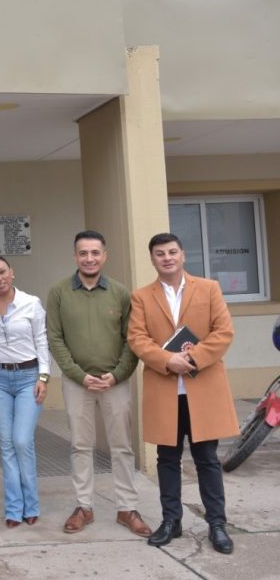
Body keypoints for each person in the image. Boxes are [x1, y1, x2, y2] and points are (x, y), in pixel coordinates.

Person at [128, 233, 239, 554]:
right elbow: (137, 338)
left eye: (172, 252)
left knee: (207, 459)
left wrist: (191, 358)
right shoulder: (141, 297)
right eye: (160, 253)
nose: (167, 258)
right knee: (167, 459)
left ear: (182, 255)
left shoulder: (209, 288)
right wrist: (167, 360)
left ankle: (217, 524)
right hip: (165, 390)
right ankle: (171, 521)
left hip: (203, 388)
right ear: (152, 259)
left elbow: (223, 332)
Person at [46, 230, 150, 537]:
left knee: (122, 446)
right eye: (83, 253)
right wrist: (79, 375)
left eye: (95, 253)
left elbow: (132, 340)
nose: (89, 258)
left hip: (114, 382)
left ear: (105, 256)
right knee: (80, 446)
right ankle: (84, 507)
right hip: (77, 383)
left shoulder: (120, 293)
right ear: (75, 256)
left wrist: (117, 375)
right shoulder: (59, 293)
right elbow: (55, 338)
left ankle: (127, 508)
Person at [0, 255, 49, 528]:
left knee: (21, 440)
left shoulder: (31, 303)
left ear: (12, 272)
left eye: (2, 272)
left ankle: (31, 504)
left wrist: (44, 377)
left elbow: (42, 341)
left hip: (28, 377)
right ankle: (13, 508)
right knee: (6, 444)